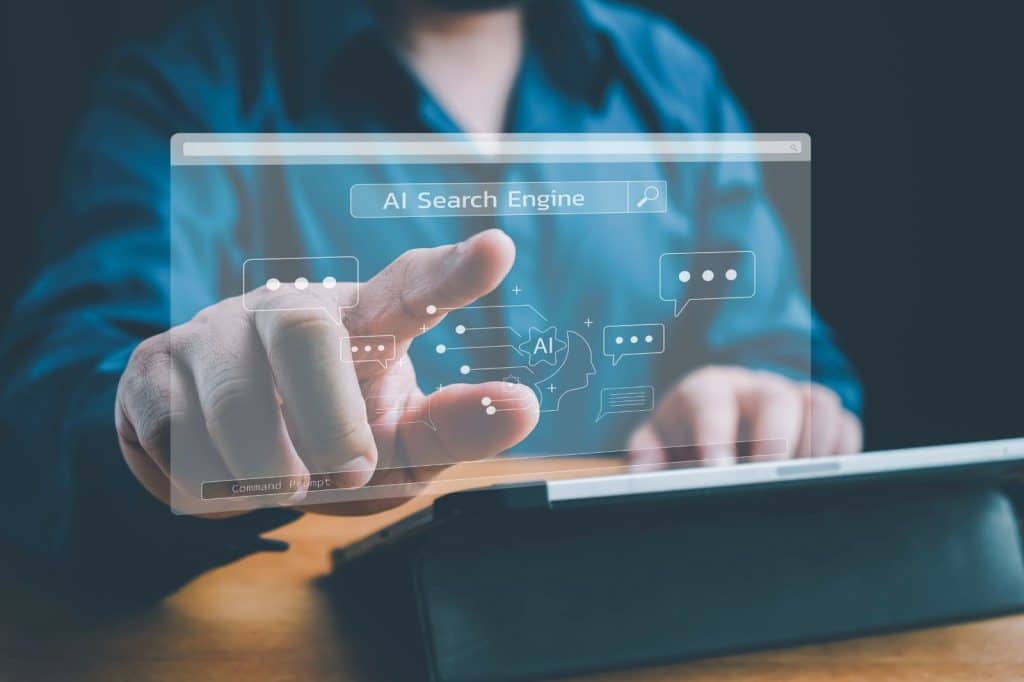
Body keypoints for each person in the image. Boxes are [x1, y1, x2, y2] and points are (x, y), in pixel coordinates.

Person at [0, 0, 861, 593]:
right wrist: (157, 425)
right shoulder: (185, 84)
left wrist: (777, 400)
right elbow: (53, 415)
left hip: (661, 617)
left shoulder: (673, 76)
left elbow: (791, 352)